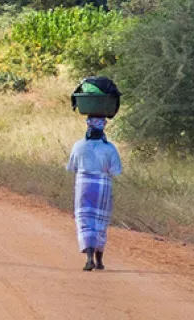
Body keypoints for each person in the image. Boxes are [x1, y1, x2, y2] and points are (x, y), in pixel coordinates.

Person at [66, 116, 123, 271]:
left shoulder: (78, 146)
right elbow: (116, 170)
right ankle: (99, 261)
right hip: (102, 186)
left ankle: (89, 258)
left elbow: (72, 166)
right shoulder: (109, 148)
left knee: (85, 220)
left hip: (83, 186)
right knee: (100, 222)